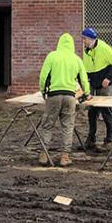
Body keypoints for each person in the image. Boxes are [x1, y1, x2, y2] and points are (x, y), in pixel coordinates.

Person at [38, 33, 91, 167]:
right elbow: (84, 79)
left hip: (54, 95)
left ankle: (44, 154)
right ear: (72, 45)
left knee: (48, 124)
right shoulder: (76, 59)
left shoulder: (52, 56)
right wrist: (87, 93)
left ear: (59, 43)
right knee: (68, 126)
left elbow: (43, 76)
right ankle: (65, 156)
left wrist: (43, 91)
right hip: (70, 96)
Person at [81, 27, 112, 151]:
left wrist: (108, 78)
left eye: (85, 39)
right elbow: (86, 69)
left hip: (105, 85)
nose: (83, 41)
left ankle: (109, 141)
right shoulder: (87, 51)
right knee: (92, 112)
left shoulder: (104, 48)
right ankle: (91, 139)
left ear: (91, 39)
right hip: (93, 84)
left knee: (106, 112)